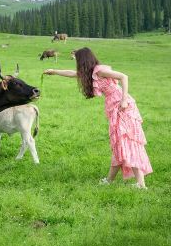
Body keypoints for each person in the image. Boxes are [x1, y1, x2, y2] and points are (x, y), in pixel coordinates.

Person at [43, 47, 152, 189]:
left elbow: (124, 76)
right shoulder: (90, 72)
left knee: (126, 141)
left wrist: (124, 100)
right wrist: (54, 71)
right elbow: (72, 73)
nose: (75, 61)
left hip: (123, 107)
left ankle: (139, 184)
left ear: (83, 60)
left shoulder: (100, 71)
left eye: (77, 59)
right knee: (119, 143)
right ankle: (116, 181)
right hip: (114, 107)